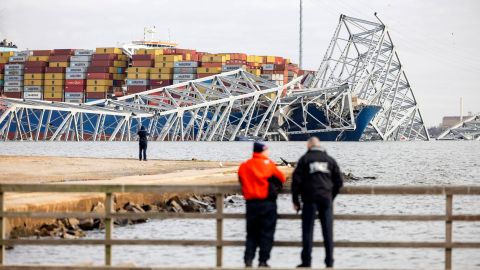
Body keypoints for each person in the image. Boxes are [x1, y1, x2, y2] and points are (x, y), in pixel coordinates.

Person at [292, 137, 343, 268]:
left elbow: (296, 182)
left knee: (307, 231)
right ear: (320, 146)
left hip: (309, 199)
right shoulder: (330, 160)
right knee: (327, 231)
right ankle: (329, 262)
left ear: (308, 146)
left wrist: (295, 200)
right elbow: (339, 182)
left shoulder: (304, 160)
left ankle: (306, 261)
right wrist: (331, 196)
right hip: (326, 199)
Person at [238, 142, 286, 268]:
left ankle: (248, 260)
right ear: (263, 152)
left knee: (251, 234)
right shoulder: (268, 164)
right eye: (267, 151)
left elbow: (241, 179)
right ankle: (263, 261)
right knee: (267, 233)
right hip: (267, 203)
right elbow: (282, 178)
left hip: (251, 204)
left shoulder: (244, 165)